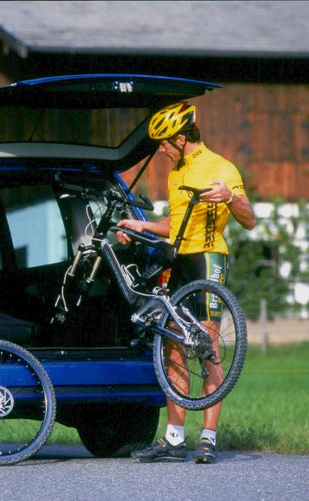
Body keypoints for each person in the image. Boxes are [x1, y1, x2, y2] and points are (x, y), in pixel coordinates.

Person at [116, 101, 257, 464]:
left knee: (207, 344)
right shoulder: (175, 173)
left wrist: (230, 197)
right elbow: (176, 224)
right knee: (173, 347)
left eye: (163, 143)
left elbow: (250, 219)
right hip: (177, 260)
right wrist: (143, 225)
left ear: (180, 138)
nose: (160, 150)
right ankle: (174, 439)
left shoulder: (221, 167)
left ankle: (208, 438)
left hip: (208, 259)